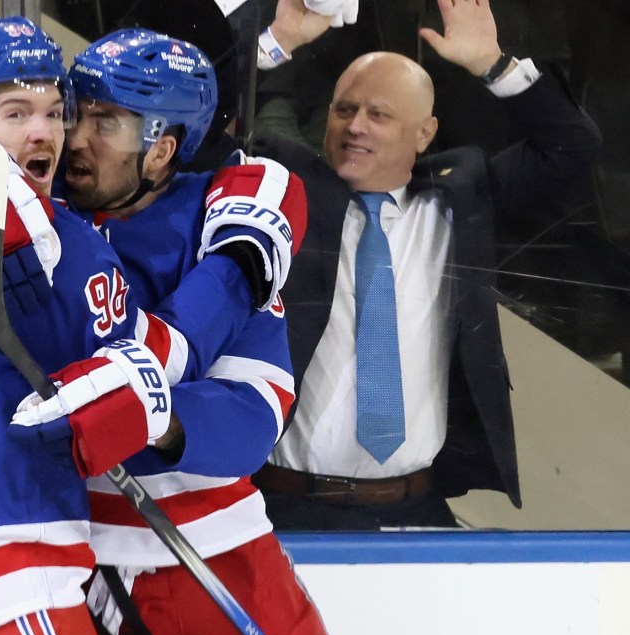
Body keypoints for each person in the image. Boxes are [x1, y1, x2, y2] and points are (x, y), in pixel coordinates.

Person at [0, 25, 330, 635]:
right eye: (79, 111)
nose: (72, 138)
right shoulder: (38, 203)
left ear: (161, 150)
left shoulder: (217, 226)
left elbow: (256, 413)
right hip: (79, 562)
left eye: (109, 124)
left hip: (210, 550)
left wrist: (160, 413)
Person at [248, 0, 602, 529]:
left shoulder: (462, 200)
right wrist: (271, 46)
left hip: (416, 507)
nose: (356, 127)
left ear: (424, 134)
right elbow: (199, 136)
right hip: (280, 506)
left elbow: (572, 147)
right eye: (344, 110)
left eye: (379, 115)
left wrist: (493, 65)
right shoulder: (282, 190)